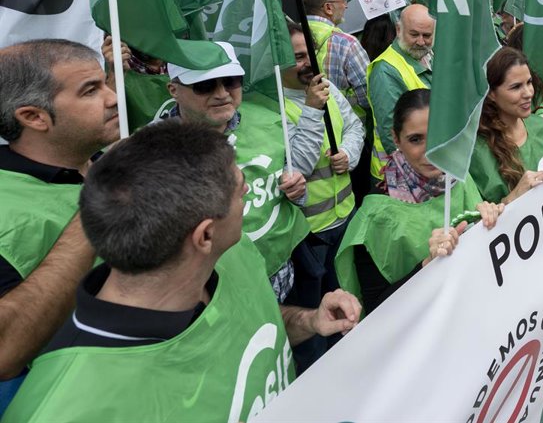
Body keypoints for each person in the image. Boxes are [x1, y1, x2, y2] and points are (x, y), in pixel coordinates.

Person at [4, 121, 360, 423]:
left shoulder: (233, 255)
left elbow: (251, 321)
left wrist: (309, 321)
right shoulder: (66, 408)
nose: (250, 192)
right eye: (240, 190)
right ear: (204, 235)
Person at [0, 41, 117, 412]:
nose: (114, 98)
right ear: (34, 117)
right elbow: (6, 352)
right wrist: (102, 197)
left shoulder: (106, 159)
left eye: (105, 83)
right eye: (91, 90)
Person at [336, 90, 502, 313]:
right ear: (396, 138)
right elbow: (376, 308)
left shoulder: (459, 178)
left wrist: (494, 219)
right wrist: (427, 265)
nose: (430, 150)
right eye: (416, 139)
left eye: (437, 135)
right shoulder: (375, 217)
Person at [166, 42, 310, 299]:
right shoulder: (153, 152)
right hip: (218, 294)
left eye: (231, 81)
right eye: (205, 85)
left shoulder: (270, 120)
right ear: (174, 90)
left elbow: (295, 194)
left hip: (284, 275)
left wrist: (298, 190)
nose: (222, 93)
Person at [279, 24, 364, 365]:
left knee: (349, 304)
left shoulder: (327, 89)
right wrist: (313, 109)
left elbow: (355, 126)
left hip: (345, 218)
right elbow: (297, 165)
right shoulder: (276, 106)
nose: (307, 64)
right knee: (315, 319)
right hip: (309, 235)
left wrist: (349, 153)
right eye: (298, 57)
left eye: (310, 55)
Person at [469, 48, 543, 205]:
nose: (528, 93)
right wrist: (512, 198)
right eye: (516, 87)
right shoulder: (476, 152)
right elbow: (476, 216)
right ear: (491, 93)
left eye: (529, 82)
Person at [366, 3, 434, 160]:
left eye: (427, 35)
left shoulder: (429, 55)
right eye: (414, 34)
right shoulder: (385, 70)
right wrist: (413, 169)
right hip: (407, 169)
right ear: (398, 30)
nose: (421, 42)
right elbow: (391, 132)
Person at [302, 0, 370, 112]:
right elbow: (368, 96)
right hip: (345, 122)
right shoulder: (346, 43)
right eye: (343, 1)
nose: (346, 6)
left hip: (302, 119)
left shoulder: (289, 37)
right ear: (328, 8)